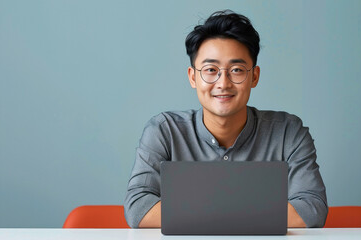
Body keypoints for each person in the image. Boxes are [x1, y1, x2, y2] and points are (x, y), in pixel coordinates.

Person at [124, 10, 328, 228]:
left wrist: (198, 213)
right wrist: (250, 213)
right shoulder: (164, 131)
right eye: (211, 69)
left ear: (254, 76)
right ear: (193, 77)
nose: (223, 83)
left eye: (237, 70)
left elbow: (311, 210)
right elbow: (139, 209)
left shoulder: (288, 131)